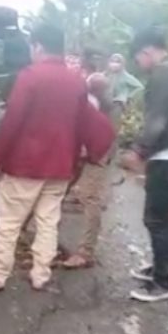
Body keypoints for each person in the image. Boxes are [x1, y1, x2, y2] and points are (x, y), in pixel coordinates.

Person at [0, 24, 116, 292]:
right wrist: (92, 152)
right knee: (48, 222)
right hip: (60, 167)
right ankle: (41, 275)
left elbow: (13, 120)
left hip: (25, 165)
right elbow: (86, 120)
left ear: (37, 46)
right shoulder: (75, 80)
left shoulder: (30, 76)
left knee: (8, 221)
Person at [120, 27, 168, 303]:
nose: (140, 65)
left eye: (138, 59)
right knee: (161, 218)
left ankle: (162, 283)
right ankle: (159, 268)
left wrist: (139, 151)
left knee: (157, 219)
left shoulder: (162, 73)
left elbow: (157, 120)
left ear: (147, 51)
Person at [61, 71, 114, 269]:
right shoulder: (90, 101)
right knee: (59, 189)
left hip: (97, 149)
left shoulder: (84, 103)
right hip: (89, 146)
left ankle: (85, 253)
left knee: (90, 197)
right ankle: (36, 234)